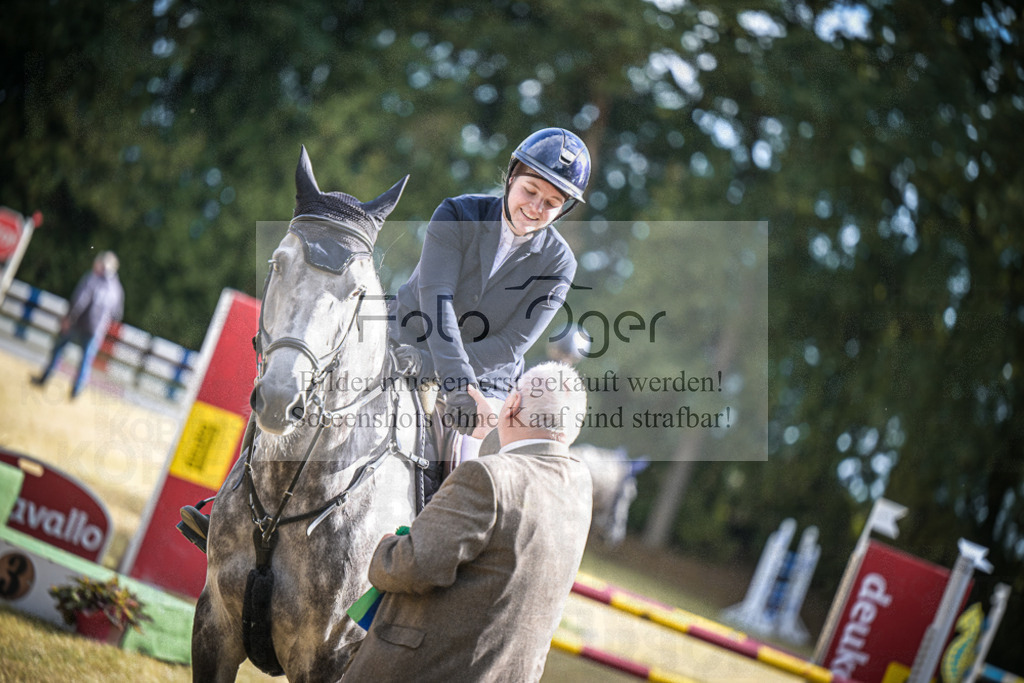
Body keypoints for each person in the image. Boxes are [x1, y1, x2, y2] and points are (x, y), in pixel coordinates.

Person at [342, 361, 592, 683]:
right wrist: (499, 432)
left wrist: (385, 549)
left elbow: (413, 566)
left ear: (513, 403)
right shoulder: (579, 484)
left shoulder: (484, 477)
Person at [391, 126, 591, 470]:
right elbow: (436, 299)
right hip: (407, 344)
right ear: (512, 177)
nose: (535, 208)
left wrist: (436, 370)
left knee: (474, 463)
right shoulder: (456, 213)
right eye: (530, 191)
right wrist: (452, 377)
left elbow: (511, 344)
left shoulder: (559, 263)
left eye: (551, 204)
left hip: (485, 379)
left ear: (563, 210)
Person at [31, 250, 124, 399]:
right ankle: (76, 391)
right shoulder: (117, 289)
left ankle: (45, 378)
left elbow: (80, 301)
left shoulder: (93, 278)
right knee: (85, 361)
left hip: (77, 323)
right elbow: (117, 314)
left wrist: (69, 318)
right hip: (96, 330)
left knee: (58, 349)